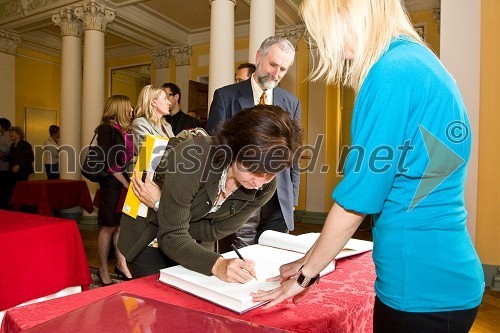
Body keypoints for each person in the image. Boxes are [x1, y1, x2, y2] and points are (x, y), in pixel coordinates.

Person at [252, 1, 484, 332]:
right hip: (441, 277)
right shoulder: (418, 61)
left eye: (324, 31)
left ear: (350, 11)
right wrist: (306, 260)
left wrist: (306, 275)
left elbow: (358, 198)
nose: (328, 47)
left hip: (421, 287)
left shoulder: (393, 72)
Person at [118, 105, 303, 280]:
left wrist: (161, 206)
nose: (259, 182)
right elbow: (172, 236)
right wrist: (218, 265)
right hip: (148, 237)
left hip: (194, 245)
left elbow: (214, 232)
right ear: (233, 148)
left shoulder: (265, 188)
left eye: (269, 174)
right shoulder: (192, 157)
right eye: (253, 170)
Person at [206, 36, 301, 253]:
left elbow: (294, 156)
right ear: (259, 56)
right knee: (240, 260)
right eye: (273, 65)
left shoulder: (291, 102)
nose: (276, 74)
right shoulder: (226, 97)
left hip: (279, 200)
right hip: (239, 196)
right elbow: (215, 151)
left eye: (283, 69)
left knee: (274, 260)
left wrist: (293, 197)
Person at [95, 95, 134, 285]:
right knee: (108, 226)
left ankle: (121, 263)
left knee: (121, 225)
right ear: (119, 108)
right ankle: (103, 269)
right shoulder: (105, 130)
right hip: (111, 184)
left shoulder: (126, 130)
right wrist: (127, 184)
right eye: (128, 107)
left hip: (124, 181)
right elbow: (110, 163)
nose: (132, 110)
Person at [131, 85, 174, 155]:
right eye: (165, 98)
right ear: (153, 102)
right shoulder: (140, 123)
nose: (169, 102)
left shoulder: (167, 126)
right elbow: (146, 155)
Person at [7, 126, 34, 202]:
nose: (10, 134)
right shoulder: (12, 145)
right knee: (13, 191)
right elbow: (11, 158)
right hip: (13, 173)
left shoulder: (25, 144)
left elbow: (30, 158)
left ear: (19, 135)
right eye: (10, 132)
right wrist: (3, 157)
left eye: (12, 132)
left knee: (21, 191)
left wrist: (19, 166)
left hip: (22, 173)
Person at [0, 118, 11, 209]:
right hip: (2, 166)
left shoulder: (7, 136)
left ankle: (5, 207)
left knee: (5, 189)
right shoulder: (2, 136)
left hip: (5, 166)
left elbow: (9, 150)